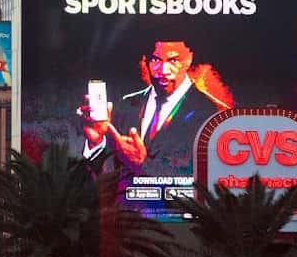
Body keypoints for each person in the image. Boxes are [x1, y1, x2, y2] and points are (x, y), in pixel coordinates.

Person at [80, 40, 231, 177]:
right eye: (155, 60)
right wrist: (96, 142)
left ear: (189, 59)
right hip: (127, 206)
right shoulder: (126, 105)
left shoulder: (216, 113)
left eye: (173, 60)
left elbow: (214, 179)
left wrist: (143, 165)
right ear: (145, 61)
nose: (163, 70)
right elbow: (106, 176)